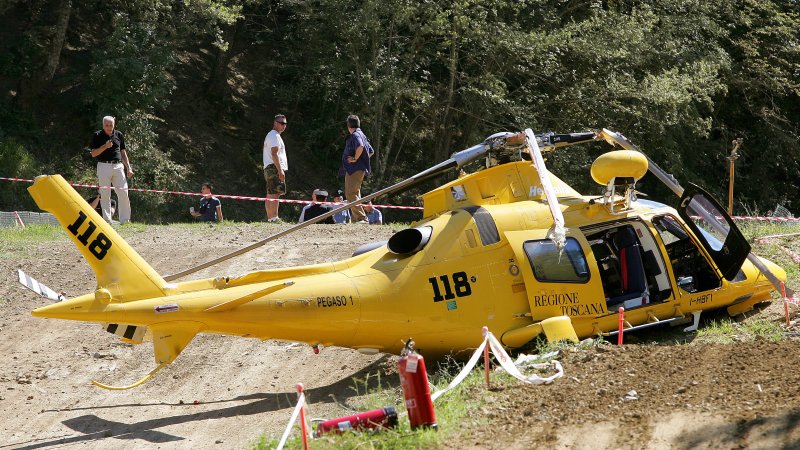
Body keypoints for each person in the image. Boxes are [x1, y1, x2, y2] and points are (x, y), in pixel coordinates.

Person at [89, 116, 132, 224]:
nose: (109, 127)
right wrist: (105, 146)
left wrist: (128, 167)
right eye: (106, 125)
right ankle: (107, 221)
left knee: (123, 192)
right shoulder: (97, 135)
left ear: (114, 125)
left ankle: (125, 220)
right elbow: (93, 154)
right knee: (105, 194)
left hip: (118, 166)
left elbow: (123, 152)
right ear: (103, 125)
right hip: (104, 166)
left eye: (111, 125)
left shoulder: (119, 135)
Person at [339, 114, 374, 223]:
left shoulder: (355, 135)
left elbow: (360, 146)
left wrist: (355, 158)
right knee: (355, 193)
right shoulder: (361, 134)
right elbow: (371, 151)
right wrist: (362, 160)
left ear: (348, 125)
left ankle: (361, 218)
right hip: (358, 169)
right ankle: (355, 219)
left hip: (354, 169)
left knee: (350, 193)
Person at [263, 114, 288, 222]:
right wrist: (280, 170)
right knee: (275, 193)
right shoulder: (274, 135)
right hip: (274, 167)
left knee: (270, 193)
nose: (284, 125)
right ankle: (274, 218)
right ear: (275, 123)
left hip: (269, 167)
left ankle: (270, 218)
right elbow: (274, 153)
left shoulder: (272, 135)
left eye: (285, 123)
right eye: (281, 123)